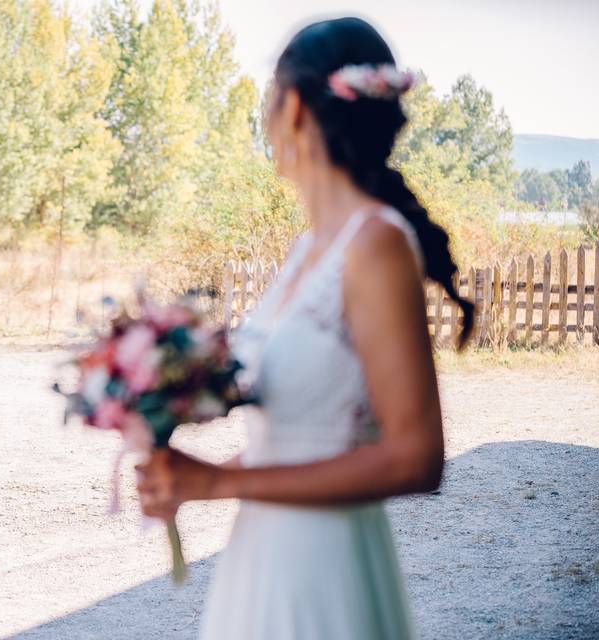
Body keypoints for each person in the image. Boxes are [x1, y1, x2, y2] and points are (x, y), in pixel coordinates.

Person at [136, 17, 474, 639]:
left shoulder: (374, 245)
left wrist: (221, 481)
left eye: (268, 99)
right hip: (261, 554)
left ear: (292, 107)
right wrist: (192, 476)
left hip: (326, 565)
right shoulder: (307, 250)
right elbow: (301, 438)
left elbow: (416, 457)